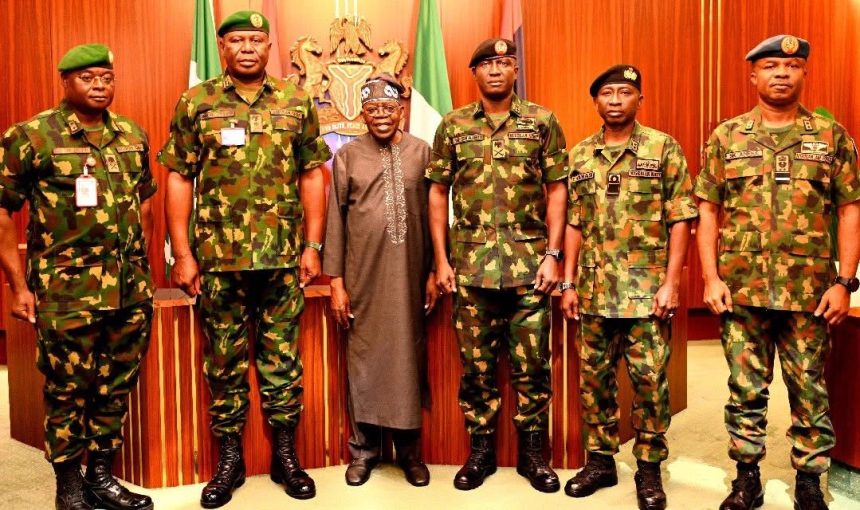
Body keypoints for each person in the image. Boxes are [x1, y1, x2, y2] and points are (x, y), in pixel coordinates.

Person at [159, 10, 331, 508]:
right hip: (217, 260)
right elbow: (178, 177)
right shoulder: (197, 101)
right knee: (224, 362)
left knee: (283, 361)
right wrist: (182, 253)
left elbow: (312, 175)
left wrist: (313, 246)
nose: (248, 48)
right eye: (237, 40)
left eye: (256, 40)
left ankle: (285, 456)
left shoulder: (295, 100)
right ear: (222, 47)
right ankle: (230, 460)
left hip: (281, 258)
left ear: (269, 46)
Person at [694, 35, 860, 510]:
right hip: (741, 290)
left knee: (809, 388)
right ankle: (747, 479)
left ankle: (809, 481)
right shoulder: (727, 136)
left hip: (809, 292)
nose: (781, 73)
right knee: (744, 390)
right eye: (770, 66)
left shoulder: (831, 136)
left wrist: (844, 283)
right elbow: (707, 210)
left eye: (791, 65)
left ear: (804, 73)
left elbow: (850, 209)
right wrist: (711, 278)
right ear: (753, 76)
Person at [0, 44, 155, 510]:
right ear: (65, 81)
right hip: (67, 291)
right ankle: (68, 488)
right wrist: (18, 286)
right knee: (67, 389)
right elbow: (3, 211)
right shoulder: (31, 136)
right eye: (88, 77)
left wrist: (142, 265)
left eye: (107, 77)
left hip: (129, 290)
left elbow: (145, 201)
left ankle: (101, 478)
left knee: (115, 384)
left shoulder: (131, 134)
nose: (100, 85)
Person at [426, 38, 567, 493]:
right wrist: (441, 260)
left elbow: (557, 189)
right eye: (486, 64)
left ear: (514, 71)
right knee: (476, 368)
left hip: (530, 269)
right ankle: (481, 453)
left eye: (504, 63)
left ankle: (532, 454)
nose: (495, 70)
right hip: (471, 268)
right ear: (475, 73)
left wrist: (553, 255)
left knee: (533, 367)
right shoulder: (453, 125)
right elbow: (437, 192)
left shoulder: (542, 121)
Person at [561, 65, 698, 510]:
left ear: (640, 99)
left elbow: (681, 219)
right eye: (607, 93)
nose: (616, 100)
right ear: (596, 102)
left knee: (649, 384)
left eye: (625, 92)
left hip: (646, 293)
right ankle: (600, 462)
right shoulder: (581, 155)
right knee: (594, 382)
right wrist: (568, 282)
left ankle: (649, 469)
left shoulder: (662, 148)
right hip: (594, 291)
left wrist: (672, 283)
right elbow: (574, 223)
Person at [323, 75, 437, 487]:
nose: (381, 116)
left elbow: (436, 215)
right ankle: (364, 451)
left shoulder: (422, 153)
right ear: (363, 114)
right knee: (365, 362)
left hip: (410, 278)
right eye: (373, 110)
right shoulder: (347, 156)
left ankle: (409, 453)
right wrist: (336, 282)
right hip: (362, 280)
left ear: (401, 111)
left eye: (388, 109)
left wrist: (433, 271)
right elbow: (335, 220)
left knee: (408, 358)